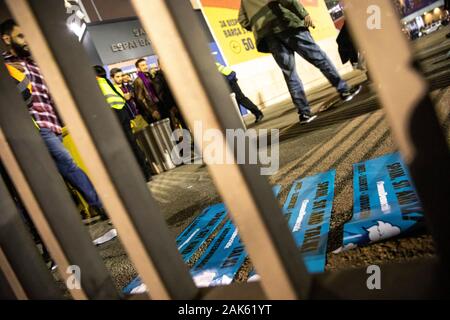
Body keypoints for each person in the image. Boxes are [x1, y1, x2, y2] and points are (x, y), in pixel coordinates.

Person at [1, 19, 107, 219]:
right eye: (21, 36)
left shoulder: (36, 62)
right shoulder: (6, 65)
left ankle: (79, 213)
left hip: (52, 126)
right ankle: (100, 205)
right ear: (7, 39)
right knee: (66, 165)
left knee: (57, 174)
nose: (27, 41)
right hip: (33, 127)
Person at [238, 0, 362, 124]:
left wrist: (260, 26)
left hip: (269, 37)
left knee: (289, 73)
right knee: (319, 58)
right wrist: (304, 14)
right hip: (287, 25)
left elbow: (243, 21)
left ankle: (304, 112)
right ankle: (344, 90)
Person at [94, 66, 153, 182]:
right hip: (123, 114)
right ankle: (146, 173)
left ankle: (138, 175)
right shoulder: (107, 84)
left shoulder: (97, 86)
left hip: (114, 116)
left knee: (125, 147)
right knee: (133, 144)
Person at [150, 62, 188, 130]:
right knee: (174, 128)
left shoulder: (171, 74)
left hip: (178, 104)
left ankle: (190, 139)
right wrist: (171, 105)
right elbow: (160, 94)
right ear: (159, 65)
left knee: (185, 124)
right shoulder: (157, 78)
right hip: (170, 107)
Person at [133, 58, 162, 124]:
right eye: (142, 65)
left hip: (158, 106)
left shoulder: (149, 76)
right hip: (152, 110)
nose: (145, 66)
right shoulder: (138, 81)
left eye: (146, 64)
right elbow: (140, 99)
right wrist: (152, 111)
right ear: (138, 68)